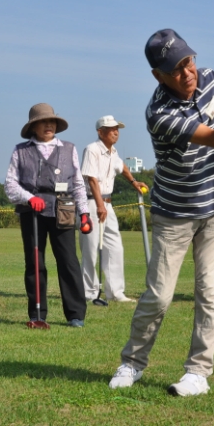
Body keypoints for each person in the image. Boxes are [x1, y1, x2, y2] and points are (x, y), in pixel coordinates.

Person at [108, 28, 214, 396]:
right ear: (159, 76)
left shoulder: (213, 79)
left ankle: (198, 372)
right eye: (177, 69)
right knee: (159, 294)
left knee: (210, 291)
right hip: (174, 211)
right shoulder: (159, 113)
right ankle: (133, 362)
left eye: (189, 61)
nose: (188, 72)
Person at [4, 103, 90, 327]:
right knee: (35, 262)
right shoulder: (20, 151)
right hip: (32, 211)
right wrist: (28, 198)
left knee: (69, 261)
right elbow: (10, 185)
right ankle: (37, 313)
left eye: (52, 121)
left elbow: (79, 184)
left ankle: (75, 314)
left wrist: (85, 213)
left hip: (64, 208)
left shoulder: (69, 149)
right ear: (34, 127)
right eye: (43, 122)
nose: (49, 125)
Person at [80, 115, 148, 304]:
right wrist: (100, 205)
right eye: (111, 128)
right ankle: (89, 292)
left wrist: (134, 181)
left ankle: (115, 292)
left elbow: (122, 166)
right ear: (100, 132)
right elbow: (91, 179)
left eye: (117, 128)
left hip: (107, 203)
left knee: (115, 247)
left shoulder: (113, 152)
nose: (116, 131)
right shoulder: (92, 149)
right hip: (93, 203)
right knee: (90, 249)